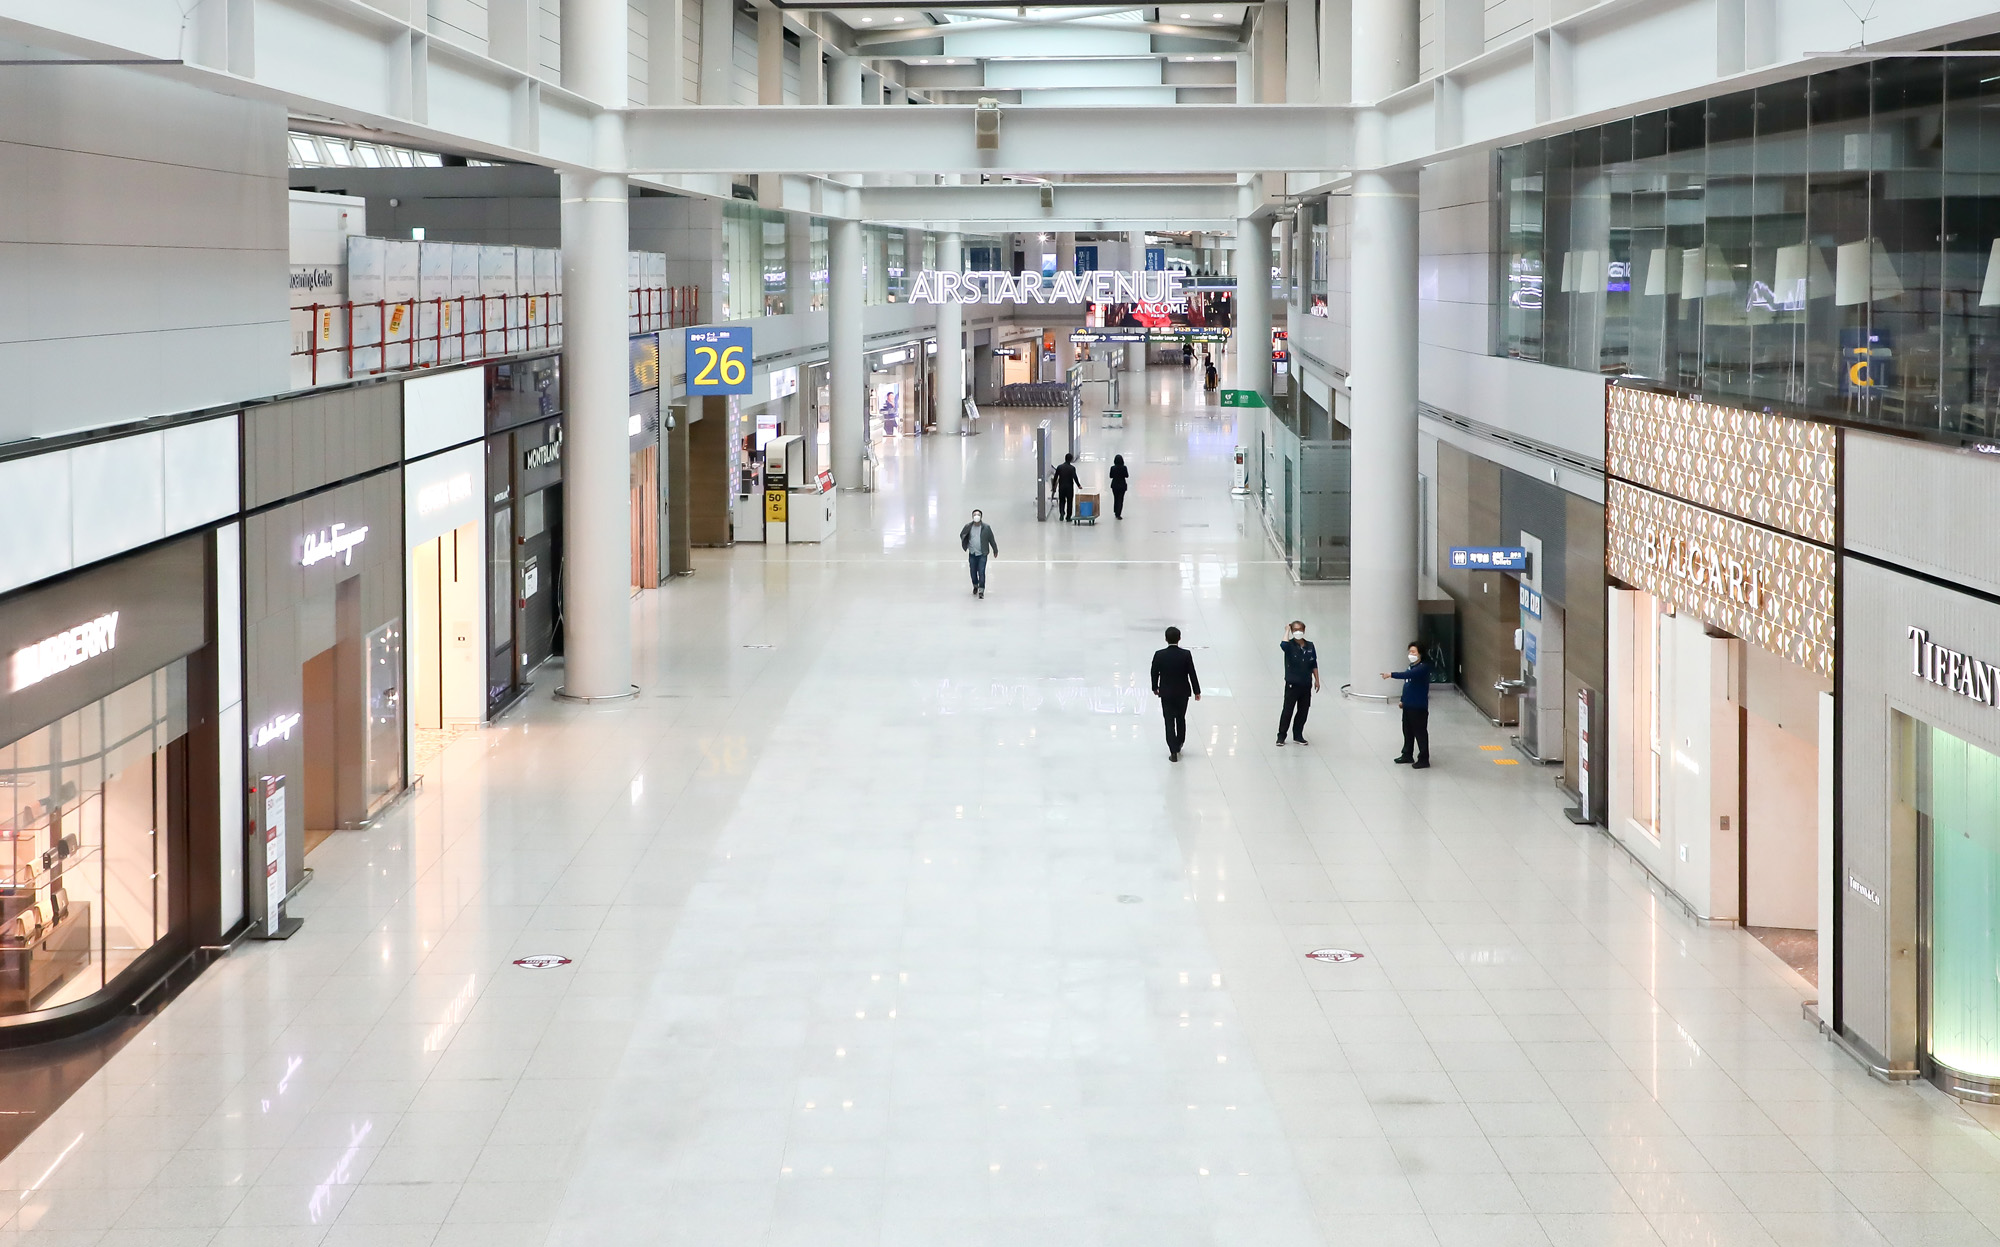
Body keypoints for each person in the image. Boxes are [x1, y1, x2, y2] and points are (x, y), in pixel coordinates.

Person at [1150, 626, 1201, 762]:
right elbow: (1192, 673)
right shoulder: (1185, 654)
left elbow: (1154, 672)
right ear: (1179, 638)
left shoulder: (1159, 655)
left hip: (1166, 692)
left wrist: (1155, 687)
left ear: (1166, 639)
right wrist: (1197, 691)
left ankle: (1172, 750)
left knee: (1168, 721)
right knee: (1180, 718)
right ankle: (1179, 743)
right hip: (1182, 692)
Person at [1382, 642, 1432, 768]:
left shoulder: (1423, 668)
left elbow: (1407, 676)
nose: (1411, 654)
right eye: (1410, 652)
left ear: (1420, 653)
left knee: (1420, 732)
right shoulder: (1411, 666)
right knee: (1407, 731)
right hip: (1408, 705)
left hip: (1418, 706)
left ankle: (1424, 758)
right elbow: (1407, 684)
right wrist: (1403, 700)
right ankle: (1407, 754)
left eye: (1414, 652)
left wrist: (1391, 674)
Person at [1276, 621, 1320, 746]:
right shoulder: (1289, 645)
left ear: (1304, 630)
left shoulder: (1310, 646)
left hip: (1306, 685)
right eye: (1294, 629)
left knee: (1303, 711)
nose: (1298, 632)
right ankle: (1281, 736)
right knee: (1288, 710)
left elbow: (1313, 663)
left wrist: (1317, 679)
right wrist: (1286, 631)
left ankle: (1298, 735)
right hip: (1292, 685)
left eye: (1300, 629)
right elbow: (1283, 645)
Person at [959, 508, 997, 598]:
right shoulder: (968, 526)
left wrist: (995, 550)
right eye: (975, 515)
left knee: (981, 571)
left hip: (982, 554)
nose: (976, 516)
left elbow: (991, 539)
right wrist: (966, 544)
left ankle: (981, 590)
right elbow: (962, 534)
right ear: (972, 517)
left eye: (978, 515)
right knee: (973, 571)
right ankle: (975, 585)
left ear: (981, 517)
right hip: (972, 554)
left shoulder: (986, 528)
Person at [1051, 452, 1080, 522]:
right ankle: (1068, 517)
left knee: (1062, 501)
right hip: (1069, 487)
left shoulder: (1059, 467)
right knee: (1069, 502)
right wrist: (1078, 485)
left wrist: (1054, 485)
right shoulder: (1072, 468)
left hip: (1062, 487)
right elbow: (1075, 477)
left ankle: (1061, 513)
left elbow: (1055, 477)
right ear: (1071, 460)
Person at [1108, 454, 1130, 520]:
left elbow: (1110, 476)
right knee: (1120, 499)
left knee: (1116, 498)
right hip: (1122, 485)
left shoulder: (1112, 468)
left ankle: (1115, 511)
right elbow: (1127, 475)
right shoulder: (1124, 467)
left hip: (1114, 485)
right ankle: (1118, 513)